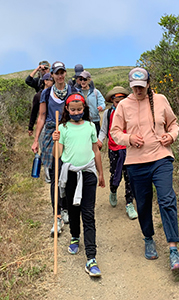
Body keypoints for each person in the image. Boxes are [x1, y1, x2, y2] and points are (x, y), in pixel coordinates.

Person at [110, 67, 179, 270]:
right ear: (130, 86)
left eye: (141, 87)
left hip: (161, 158)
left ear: (148, 84)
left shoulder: (160, 99)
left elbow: (174, 124)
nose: (138, 91)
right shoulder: (124, 105)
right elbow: (115, 132)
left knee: (167, 199)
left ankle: (173, 250)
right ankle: (148, 238)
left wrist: (171, 136)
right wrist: (129, 138)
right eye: (134, 87)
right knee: (143, 203)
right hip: (136, 163)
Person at [53, 92, 105, 277]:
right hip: (71, 175)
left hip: (88, 174)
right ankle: (75, 237)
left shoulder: (91, 126)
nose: (76, 112)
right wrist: (56, 140)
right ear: (67, 109)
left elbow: (96, 151)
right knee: (73, 210)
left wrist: (101, 173)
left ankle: (91, 258)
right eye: (73, 109)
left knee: (88, 213)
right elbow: (57, 155)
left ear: (84, 109)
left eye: (79, 109)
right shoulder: (63, 128)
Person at [31, 61, 79, 235]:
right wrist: (36, 139)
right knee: (54, 174)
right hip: (53, 135)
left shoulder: (73, 92)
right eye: (57, 73)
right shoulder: (46, 93)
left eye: (62, 72)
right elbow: (42, 116)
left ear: (65, 73)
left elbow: (80, 114)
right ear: (51, 74)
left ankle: (69, 211)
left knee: (71, 173)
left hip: (70, 133)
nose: (60, 75)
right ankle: (57, 216)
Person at [98, 86, 138, 220]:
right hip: (114, 149)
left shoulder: (131, 112)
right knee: (115, 174)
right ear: (112, 102)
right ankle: (113, 190)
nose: (119, 104)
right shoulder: (108, 114)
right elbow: (104, 130)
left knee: (129, 176)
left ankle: (129, 203)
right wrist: (99, 140)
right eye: (116, 101)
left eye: (122, 101)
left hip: (129, 148)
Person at [78, 71, 105, 135]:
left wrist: (101, 107)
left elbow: (102, 102)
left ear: (89, 80)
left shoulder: (95, 92)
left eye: (85, 79)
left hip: (95, 121)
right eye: (81, 79)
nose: (83, 81)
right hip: (82, 121)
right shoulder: (77, 92)